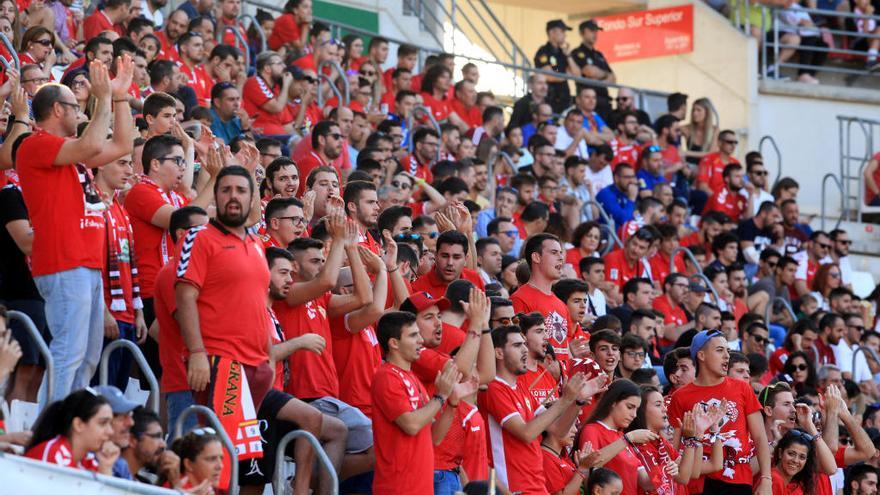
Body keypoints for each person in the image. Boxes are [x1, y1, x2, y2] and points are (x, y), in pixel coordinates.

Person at [18, 57, 134, 403]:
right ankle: (49, 435)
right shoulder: (35, 144)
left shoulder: (67, 154)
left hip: (84, 265)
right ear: (56, 110)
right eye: (75, 107)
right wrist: (102, 98)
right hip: (63, 262)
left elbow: (122, 146)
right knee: (69, 354)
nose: (80, 113)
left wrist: (120, 97)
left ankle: (68, 430)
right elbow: (91, 144)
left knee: (86, 357)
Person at [479, 325, 606, 494]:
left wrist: (578, 401)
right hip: (512, 487)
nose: (525, 350)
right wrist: (566, 399)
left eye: (524, 344)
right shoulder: (494, 389)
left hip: (536, 485)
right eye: (517, 345)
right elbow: (526, 433)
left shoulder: (520, 387)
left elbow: (557, 430)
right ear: (498, 353)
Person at [371, 311, 467, 495]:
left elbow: (434, 437)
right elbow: (411, 425)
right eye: (413, 335)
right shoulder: (386, 376)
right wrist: (440, 396)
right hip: (397, 487)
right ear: (394, 343)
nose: (421, 341)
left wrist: (451, 403)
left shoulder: (412, 378)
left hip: (421, 487)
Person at [668, 330, 773, 495]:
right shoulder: (680, 396)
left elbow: (760, 437)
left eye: (728, 351)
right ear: (701, 355)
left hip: (737, 479)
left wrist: (766, 479)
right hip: (697, 482)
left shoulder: (742, 388)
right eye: (719, 350)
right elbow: (672, 448)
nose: (727, 356)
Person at [511, 233, 574, 361]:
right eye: (554, 252)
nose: (561, 258)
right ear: (536, 257)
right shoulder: (519, 298)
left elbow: (564, 349)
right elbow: (516, 347)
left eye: (561, 253)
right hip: (535, 378)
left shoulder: (561, 304)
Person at [25, 389, 116, 474]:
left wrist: (106, 466)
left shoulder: (88, 460)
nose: (111, 431)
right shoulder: (54, 454)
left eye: (110, 424)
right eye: (103, 423)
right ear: (78, 425)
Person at [570, 20, 614, 119]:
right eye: (591, 31)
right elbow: (589, 71)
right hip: (587, 103)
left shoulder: (599, 55)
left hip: (604, 101)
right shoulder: (577, 52)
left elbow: (613, 78)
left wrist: (600, 76)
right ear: (582, 33)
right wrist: (605, 75)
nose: (595, 34)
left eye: (596, 31)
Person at [535, 19, 578, 113]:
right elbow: (548, 75)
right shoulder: (543, 51)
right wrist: (566, 75)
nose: (565, 35)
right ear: (551, 32)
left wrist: (569, 56)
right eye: (562, 31)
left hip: (565, 99)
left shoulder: (563, 53)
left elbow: (576, 74)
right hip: (550, 99)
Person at [170, 427, 224, 492]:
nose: (220, 466)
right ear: (188, 464)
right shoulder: (170, 490)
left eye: (221, 458)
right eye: (211, 459)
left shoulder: (210, 488)